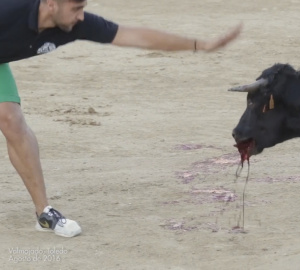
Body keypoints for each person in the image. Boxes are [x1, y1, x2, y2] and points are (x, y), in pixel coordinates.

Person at [0, 0, 242, 237]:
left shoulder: (77, 25)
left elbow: (137, 37)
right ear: (51, 4)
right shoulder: (9, 10)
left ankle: (44, 213)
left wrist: (200, 44)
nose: (81, 15)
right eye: (76, 8)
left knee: (11, 120)